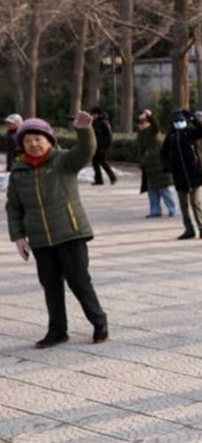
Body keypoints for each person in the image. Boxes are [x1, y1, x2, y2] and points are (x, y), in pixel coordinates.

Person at [6, 113, 109, 348]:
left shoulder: (63, 161)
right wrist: (19, 236)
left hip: (70, 233)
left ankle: (99, 321)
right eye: (28, 140)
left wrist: (84, 131)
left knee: (79, 280)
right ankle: (57, 330)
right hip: (41, 239)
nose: (33, 144)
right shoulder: (19, 172)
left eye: (38, 139)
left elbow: (86, 152)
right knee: (50, 285)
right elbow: (13, 207)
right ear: (21, 144)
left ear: (49, 140)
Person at [161, 109, 202, 240]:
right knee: (184, 205)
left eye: (181, 120)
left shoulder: (191, 132)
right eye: (176, 121)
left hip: (195, 174)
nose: (179, 123)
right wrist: (167, 166)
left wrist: (192, 117)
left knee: (195, 202)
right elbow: (163, 153)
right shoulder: (171, 136)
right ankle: (189, 229)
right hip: (180, 176)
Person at [136, 110, 177, 218]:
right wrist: (141, 161)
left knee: (164, 189)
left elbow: (156, 125)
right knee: (152, 190)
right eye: (139, 122)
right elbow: (141, 150)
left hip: (159, 165)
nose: (140, 124)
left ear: (148, 122)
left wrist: (150, 115)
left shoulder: (153, 131)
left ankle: (173, 208)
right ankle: (155, 210)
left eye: (143, 122)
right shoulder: (141, 135)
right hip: (149, 167)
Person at [89, 106, 117, 185]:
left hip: (102, 147)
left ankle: (112, 177)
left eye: (93, 114)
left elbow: (109, 135)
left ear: (97, 114)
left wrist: (106, 146)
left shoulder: (104, 122)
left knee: (103, 162)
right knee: (95, 163)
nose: (92, 116)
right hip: (96, 146)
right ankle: (99, 180)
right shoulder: (95, 122)